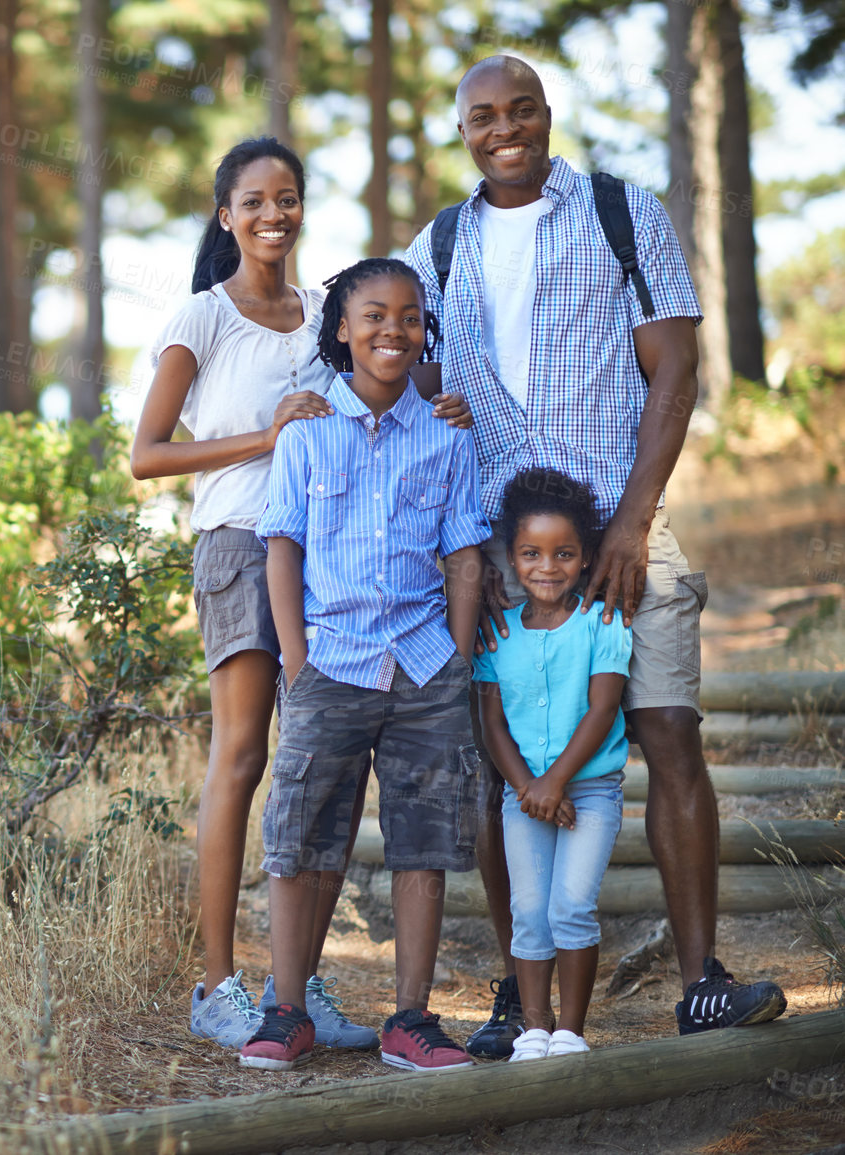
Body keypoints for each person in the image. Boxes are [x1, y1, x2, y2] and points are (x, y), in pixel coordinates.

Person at [404, 55, 787, 1054]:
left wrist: (630, 519)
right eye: (483, 116)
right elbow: (413, 392)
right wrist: (465, 549)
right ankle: (517, 991)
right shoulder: (437, 245)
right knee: (500, 767)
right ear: (463, 129)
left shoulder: (622, 212)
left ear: (546, 114)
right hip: (497, 555)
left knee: (667, 732)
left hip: (625, 537)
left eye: (521, 109)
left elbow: (677, 369)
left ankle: (701, 977)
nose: (505, 129)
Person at [132, 139, 472, 1053]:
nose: (272, 214)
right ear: (225, 214)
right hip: (246, 543)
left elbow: (383, 373)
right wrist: (263, 434)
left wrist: (443, 404)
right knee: (245, 757)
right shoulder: (203, 316)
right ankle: (217, 985)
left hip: (335, 564)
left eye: (287, 198)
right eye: (253, 200)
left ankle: (299, 986)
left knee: (317, 774)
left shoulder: (327, 307)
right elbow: (146, 455)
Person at [245, 257, 489, 1072]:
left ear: (427, 330)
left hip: (424, 667)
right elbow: (282, 547)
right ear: (341, 330)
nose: (395, 329)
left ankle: (410, 1018)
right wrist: (295, 658)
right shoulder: (306, 432)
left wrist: (453, 657)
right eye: (375, 315)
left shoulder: (447, 435)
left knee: (423, 843)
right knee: (300, 838)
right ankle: (286, 1009)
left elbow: (463, 554)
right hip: (330, 664)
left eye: (411, 316)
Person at [474, 467, 631, 1060]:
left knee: (571, 904)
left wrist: (556, 781)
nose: (547, 567)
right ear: (512, 559)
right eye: (531, 553)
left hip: (588, 793)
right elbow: (491, 725)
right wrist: (532, 789)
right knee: (529, 911)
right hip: (524, 796)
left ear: (586, 557)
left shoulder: (604, 623)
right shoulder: (498, 634)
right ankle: (533, 1029)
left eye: (564, 553)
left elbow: (602, 708)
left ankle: (570, 1030)